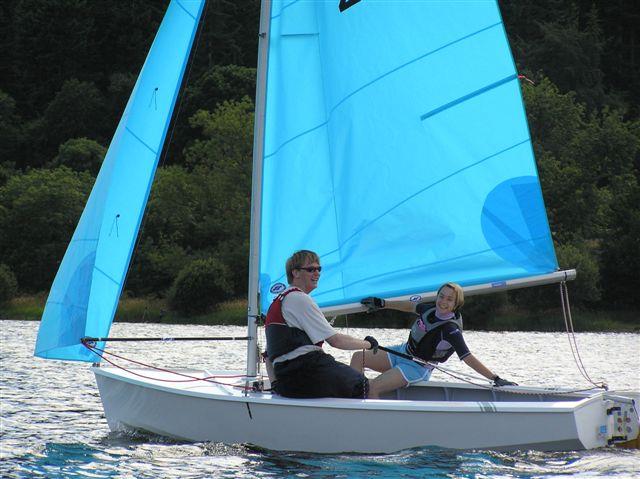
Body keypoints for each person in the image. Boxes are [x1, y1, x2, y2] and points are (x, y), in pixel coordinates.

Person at [351, 282, 517, 398]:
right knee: (359, 357)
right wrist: (383, 303)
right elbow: (410, 306)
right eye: (441, 296)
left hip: (416, 368)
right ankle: (354, 399)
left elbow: (468, 357)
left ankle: (373, 424)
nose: (443, 302)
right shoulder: (430, 309)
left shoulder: (450, 330)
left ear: (456, 304)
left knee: (373, 387)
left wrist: (495, 378)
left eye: (449, 299)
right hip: (402, 352)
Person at [265, 250, 378, 399]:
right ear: (296, 273)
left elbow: (268, 356)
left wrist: (275, 385)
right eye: (311, 269)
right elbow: (336, 341)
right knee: (364, 386)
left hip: (287, 379)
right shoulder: (299, 299)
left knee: (349, 381)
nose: (317, 273)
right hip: (307, 370)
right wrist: (368, 344)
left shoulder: (278, 302)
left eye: (319, 269)